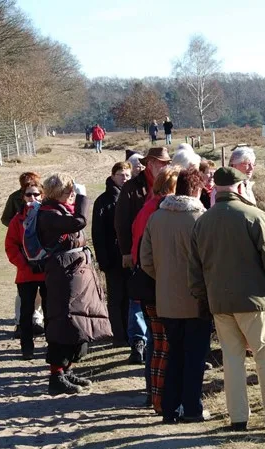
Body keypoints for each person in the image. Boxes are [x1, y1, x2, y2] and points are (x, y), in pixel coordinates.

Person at [189, 167, 265, 431]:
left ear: (216, 189)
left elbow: (194, 268)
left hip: (220, 303)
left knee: (231, 360)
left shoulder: (203, 222)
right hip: (255, 302)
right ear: (241, 188)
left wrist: (202, 298)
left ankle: (238, 417)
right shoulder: (255, 216)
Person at [141, 167, 210, 423]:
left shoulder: (156, 217)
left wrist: (165, 280)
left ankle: (169, 409)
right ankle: (192, 408)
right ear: (197, 189)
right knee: (195, 357)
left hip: (166, 299)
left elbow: (145, 260)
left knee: (173, 353)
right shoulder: (201, 218)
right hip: (196, 300)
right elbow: (209, 261)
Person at [38, 173, 112, 395]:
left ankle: (67, 369)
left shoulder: (58, 211)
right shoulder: (48, 214)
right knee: (63, 321)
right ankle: (56, 376)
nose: (72, 195)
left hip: (74, 275)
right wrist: (83, 197)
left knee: (77, 322)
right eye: (69, 191)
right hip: (63, 277)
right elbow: (79, 222)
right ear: (58, 193)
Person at [130, 166, 180, 413]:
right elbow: (148, 253)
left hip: (148, 282)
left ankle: (153, 393)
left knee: (156, 341)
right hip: (157, 285)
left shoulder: (148, 207)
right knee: (161, 343)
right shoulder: (159, 210)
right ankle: (158, 397)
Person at [115, 147, 172, 364]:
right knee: (138, 297)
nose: (164, 166)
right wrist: (126, 251)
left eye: (166, 162)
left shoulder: (169, 184)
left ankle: (155, 339)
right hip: (138, 249)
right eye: (160, 162)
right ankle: (138, 342)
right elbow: (122, 221)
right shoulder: (133, 186)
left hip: (161, 250)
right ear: (149, 163)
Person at [4, 181, 47, 360]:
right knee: (26, 312)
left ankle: (52, 348)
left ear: (42, 196)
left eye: (36, 194)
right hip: (26, 273)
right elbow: (11, 246)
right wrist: (24, 264)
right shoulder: (17, 220)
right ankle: (26, 348)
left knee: (50, 311)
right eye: (29, 194)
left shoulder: (48, 217)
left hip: (46, 272)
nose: (33, 198)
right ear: (23, 197)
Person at [92, 162, 132, 347]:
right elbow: (97, 233)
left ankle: (130, 333)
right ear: (113, 176)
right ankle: (118, 335)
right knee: (116, 298)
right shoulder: (103, 200)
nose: (124, 178)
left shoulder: (132, 196)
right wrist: (103, 259)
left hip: (131, 256)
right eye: (121, 174)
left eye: (127, 175)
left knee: (130, 297)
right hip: (112, 258)